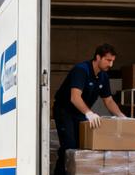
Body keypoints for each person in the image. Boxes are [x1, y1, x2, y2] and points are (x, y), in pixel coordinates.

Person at [52, 43, 127, 175]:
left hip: (80, 112)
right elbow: (75, 98)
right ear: (98, 57)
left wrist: (122, 116)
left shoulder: (103, 76)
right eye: (108, 60)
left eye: (113, 61)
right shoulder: (81, 70)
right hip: (65, 110)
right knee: (69, 146)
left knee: (82, 147)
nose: (111, 65)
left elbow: (108, 100)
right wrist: (89, 113)